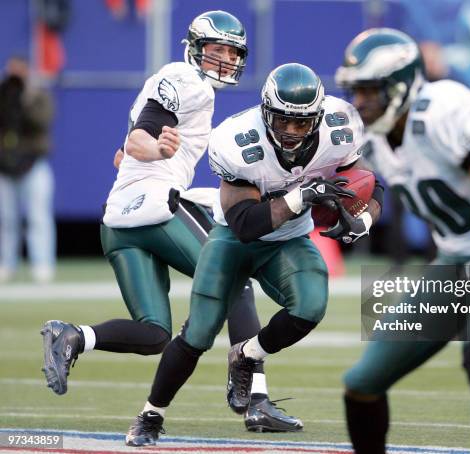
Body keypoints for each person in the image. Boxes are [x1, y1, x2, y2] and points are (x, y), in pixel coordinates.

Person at [40, 10, 301, 438]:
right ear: (195, 49)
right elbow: (137, 140)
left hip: (118, 221)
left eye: (231, 52)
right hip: (156, 206)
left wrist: (146, 150)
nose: (225, 60)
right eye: (216, 50)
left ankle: (72, 337)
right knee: (235, 278)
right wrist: (156, 151)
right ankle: (256, 399)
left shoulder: (171, 82)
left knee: (154, 334)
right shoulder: (186, 79)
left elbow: (120, 155)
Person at [124, 62, 384, 446]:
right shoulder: (237, 139)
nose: (292, 131)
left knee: (311, 306)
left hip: (289, 241)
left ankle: (246, 354)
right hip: (233, 240)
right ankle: (150, 415)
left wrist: (366, 220)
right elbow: (245, 223)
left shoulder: (339, 127)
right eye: (283, 121)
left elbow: (368, 184)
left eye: (301, 123)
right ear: (265, 113)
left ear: (317, 118)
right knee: (198, 333)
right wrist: (299, 198)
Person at [335, 28, 470, 454]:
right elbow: (366, 189)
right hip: (453, 259)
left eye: (369, 90)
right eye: (356, 91)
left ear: (399, 84)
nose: (360, 102)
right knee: (362, 383)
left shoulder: (442, 111)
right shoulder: (372, 137)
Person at [0, 55, 55, 283]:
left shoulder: (38, 96)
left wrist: (25, 99)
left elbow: (43, 122)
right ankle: (7, 264)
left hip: (33, 164)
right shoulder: (3, 96)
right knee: (6, 218)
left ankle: (42, 264)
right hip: (5, 166)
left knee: (38, 217)